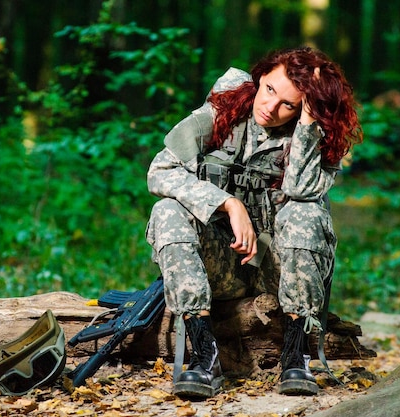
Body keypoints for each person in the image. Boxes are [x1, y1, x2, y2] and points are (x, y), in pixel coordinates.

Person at [145, 46, 362, 398]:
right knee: (166, 211)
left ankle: (296, 355)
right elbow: (160, 171)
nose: (270, 107)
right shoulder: (223, 109)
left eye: (288, 105)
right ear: (261, 77)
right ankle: (204, 355)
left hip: (276, 271)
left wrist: (307, 124)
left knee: (305, 211)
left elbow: (301, 191)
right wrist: (228, 203)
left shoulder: (317, 137)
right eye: (270, 90)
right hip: (223, 264)